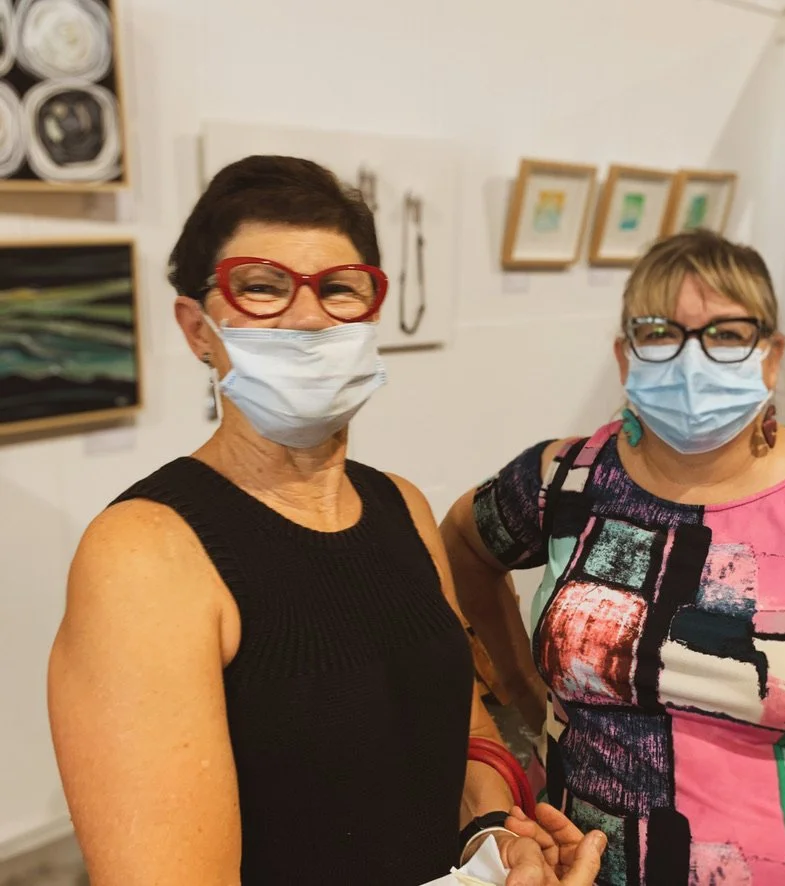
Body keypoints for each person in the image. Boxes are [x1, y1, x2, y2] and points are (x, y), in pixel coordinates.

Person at [46, 155, 605, 886]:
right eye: (261, 288)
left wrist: (493, 833)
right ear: (197, 329)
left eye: (339, 289)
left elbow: (456, 722)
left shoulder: (400, 505)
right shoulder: (144, 557)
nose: (308, 317)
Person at [442, 230, 785, 886]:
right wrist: (524, 690)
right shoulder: (565, 479)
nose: (691, 360)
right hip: (586, 868)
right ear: (625, 357)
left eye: (727, 334)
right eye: (660, 333)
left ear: (771, 358)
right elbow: (460, 547)